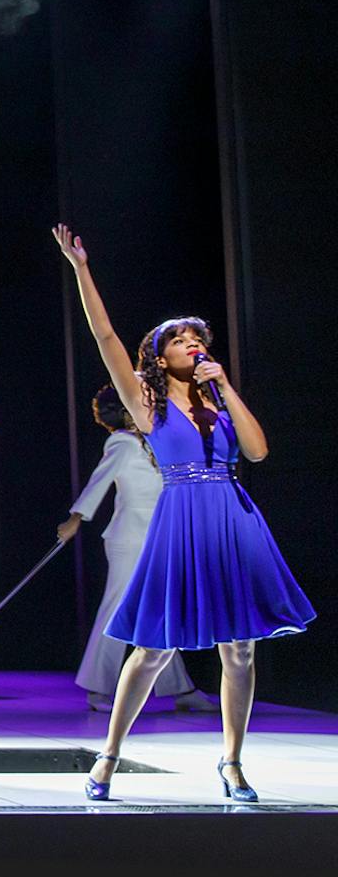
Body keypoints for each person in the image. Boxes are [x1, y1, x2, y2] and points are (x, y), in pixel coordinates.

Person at [53, 225, 313, 803]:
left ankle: (233, 762)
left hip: (231, 514)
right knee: (151, 649)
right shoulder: (145, 403)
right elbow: (104, 333)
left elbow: (258, 451)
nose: (195, 343)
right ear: (158, 354)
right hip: (182, 516)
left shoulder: (217, 399)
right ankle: (109, 755)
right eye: (182, 338)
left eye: (200, 336)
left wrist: (225, 390)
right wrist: (80, 268)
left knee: (241, 646)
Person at [58, 386, 214, 713]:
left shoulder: (154, 440)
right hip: (130, 537)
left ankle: (179, 688)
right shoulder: (123, 443)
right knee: (117, 609)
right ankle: (97, 687)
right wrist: (76, 518)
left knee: (161, 611)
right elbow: (99, 480)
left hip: (159, 534)